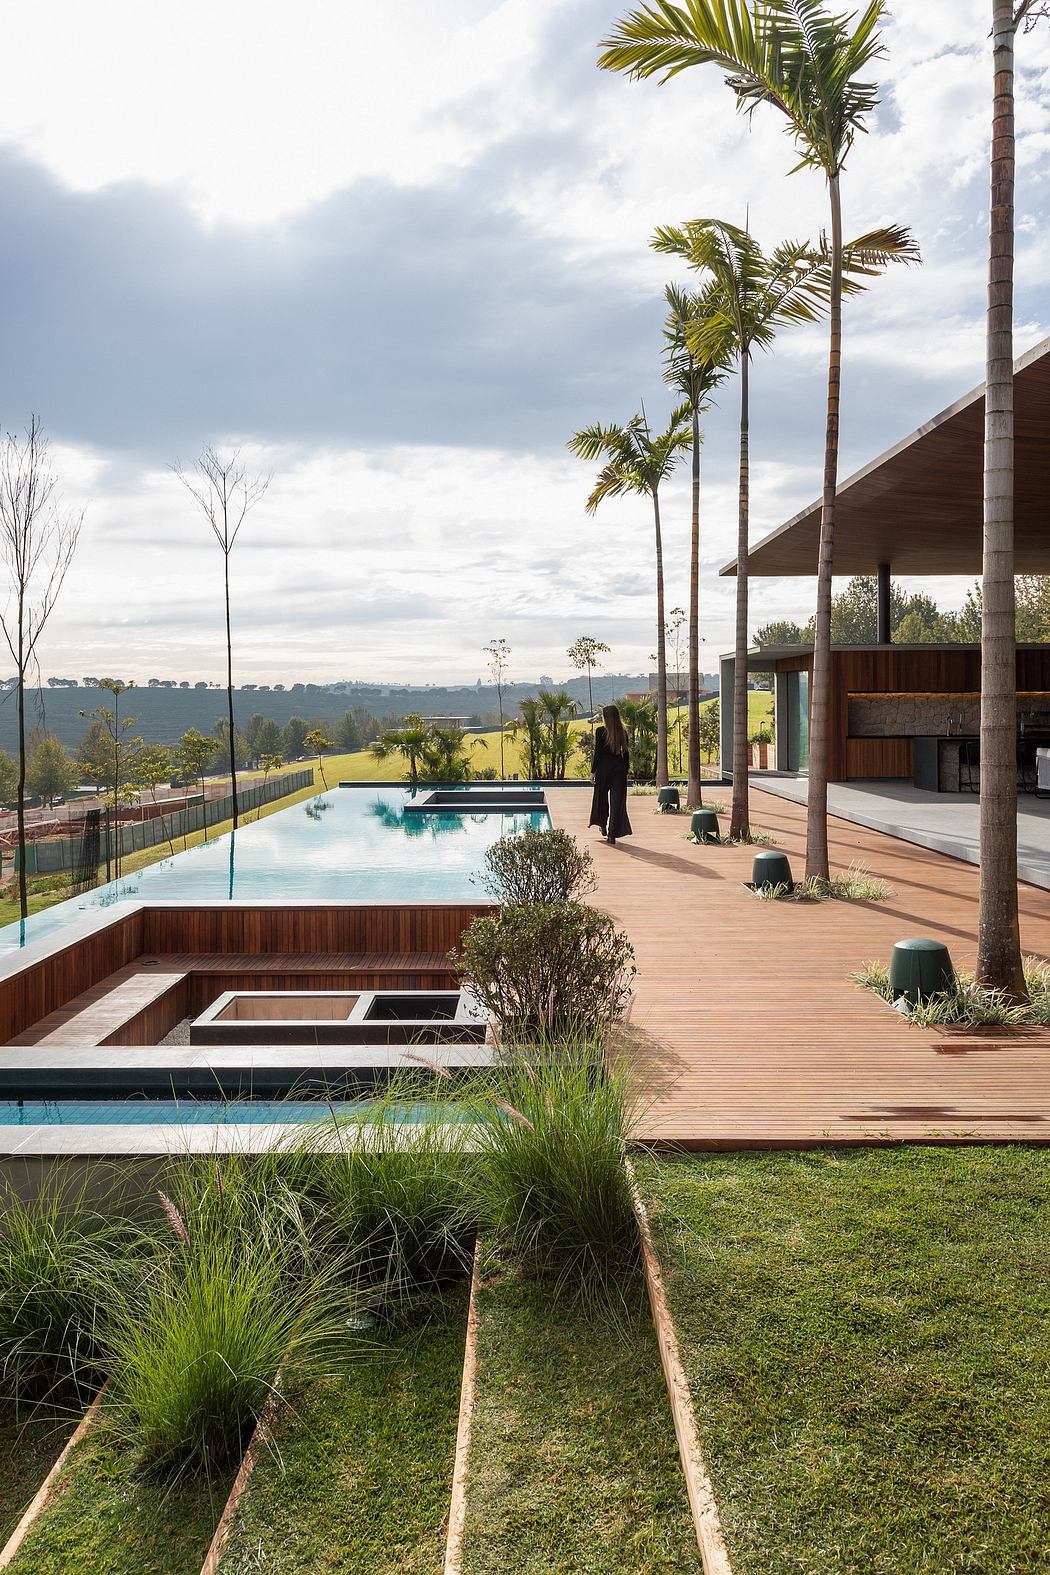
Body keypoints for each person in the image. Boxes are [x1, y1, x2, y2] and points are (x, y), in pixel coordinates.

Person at [589, 703, 632, 845]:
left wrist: (593, 772)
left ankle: (602, 825)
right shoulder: (623, 732)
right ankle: (612, 835)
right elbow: (626, 754)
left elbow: (598, 753)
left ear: (605, 717)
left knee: (601, 799)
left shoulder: (600, 731)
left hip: (603, 769)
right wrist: (626, 770)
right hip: (619, 769)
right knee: (617, 802)